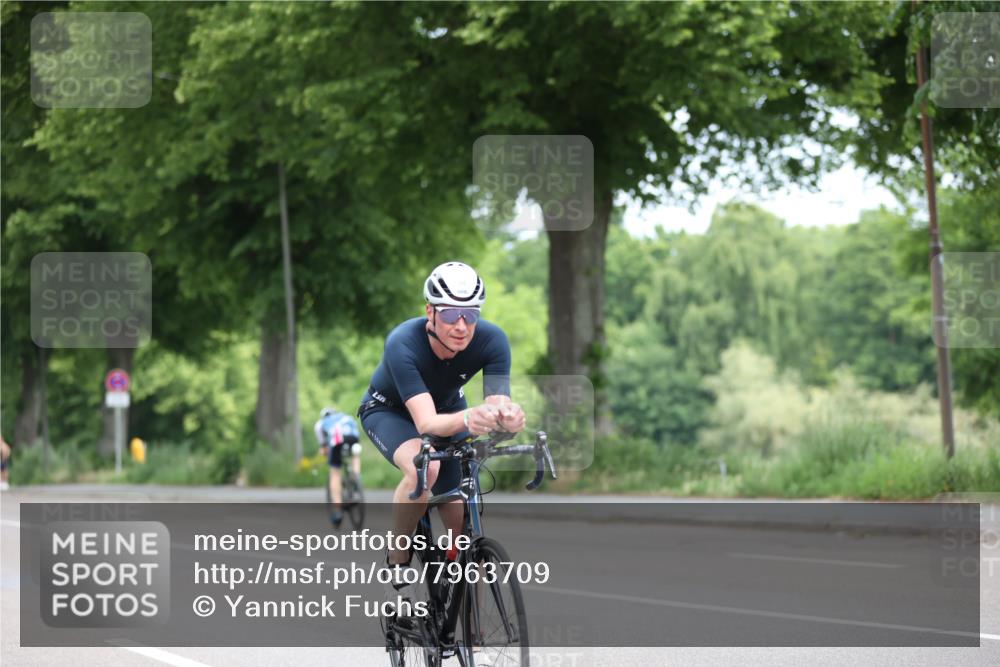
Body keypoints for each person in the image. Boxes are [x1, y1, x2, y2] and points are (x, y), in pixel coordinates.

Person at [357, 261, 525, 606]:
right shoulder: (403, 342)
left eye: (470, 315)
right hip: (391, 412)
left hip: (448, 411)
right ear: (430, 312)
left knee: (462, 514)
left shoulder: (492, 340)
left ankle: (467, 615)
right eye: (450, 315)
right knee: (425, 468)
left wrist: (507, 418)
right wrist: (470, 417)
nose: (461, 326)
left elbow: (496, 405)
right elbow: (427, 425)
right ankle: (397, 565)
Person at [314, 407, 360, 526]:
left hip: (337, 440)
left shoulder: (320, 423)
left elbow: (324, 447)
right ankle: (355, 479)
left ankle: (338, 509)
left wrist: (325, 452)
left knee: (335, 471)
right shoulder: (346, 417)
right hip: (353, 438)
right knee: (355, 455)